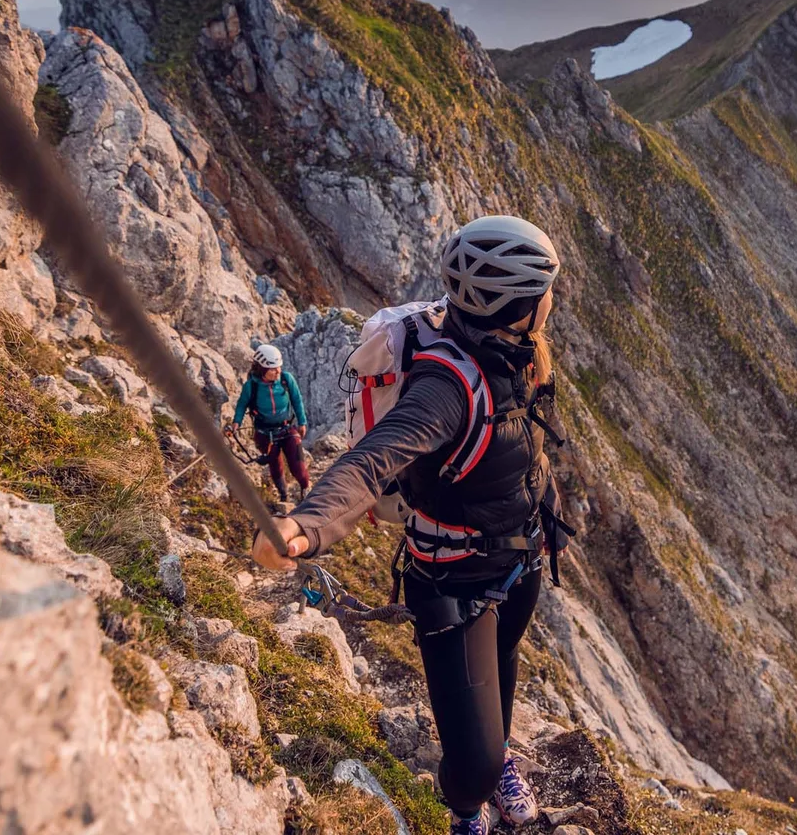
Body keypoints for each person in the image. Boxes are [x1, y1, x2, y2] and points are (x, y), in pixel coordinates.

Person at [253, 215, 565, 835]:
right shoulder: (447, 385)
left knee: (502, 666)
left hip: (518, 559)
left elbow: (523, 447)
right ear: (517, 303)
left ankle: (498, 756)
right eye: (545, 291)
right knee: (471, 768)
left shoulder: (519, 353)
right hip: (453, 584)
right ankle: (468, 809)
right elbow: (374, 460)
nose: (552, 301)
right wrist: (305, 524)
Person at [229, 344, 310, 504]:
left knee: (298, 465)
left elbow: (297, 400)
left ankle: (306, 489)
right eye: (273, 369)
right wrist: (236, 423)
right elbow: (241, 405)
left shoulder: (286, 379)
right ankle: (284, 495)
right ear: (261, 369)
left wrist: (302, 422)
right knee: (275, 465)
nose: (278, 371)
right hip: (265, 434)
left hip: (287, 428)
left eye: (279, 367)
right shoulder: (251, 387)